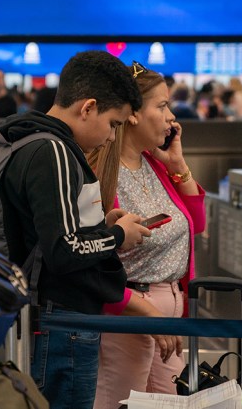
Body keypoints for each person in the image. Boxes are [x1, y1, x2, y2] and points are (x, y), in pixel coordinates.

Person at [0, 50, 151, 408]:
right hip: (62, 320)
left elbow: (54, 231)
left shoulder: (32, 141)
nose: (113, 137)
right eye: (113, 123)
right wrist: (117, 238)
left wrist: (101, 225)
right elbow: (63, 250)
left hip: (54, 318)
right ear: (87, 108)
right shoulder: (54, 152)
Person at [91, 61, 204, 407]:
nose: (172, 117)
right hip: (128, 313)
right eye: (162, 105)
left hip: (170, 314)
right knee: (119, 402)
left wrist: (178, 166)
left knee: (172, 402)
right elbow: (92, 259)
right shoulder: (99, 172)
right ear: (134, 114)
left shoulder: (155, 164)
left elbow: (196, 225)